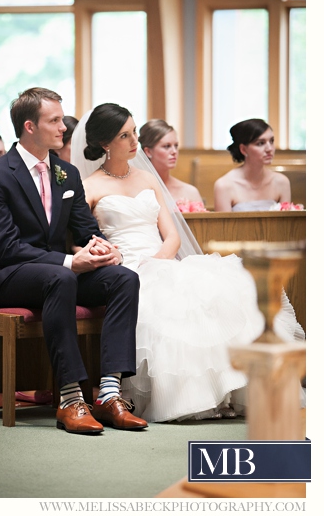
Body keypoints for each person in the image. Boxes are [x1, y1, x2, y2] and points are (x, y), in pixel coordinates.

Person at [71, 103, 287, 422]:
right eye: (124, 135)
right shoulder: (89, 186)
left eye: (134, 131)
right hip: (121, 268)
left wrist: (158, 262)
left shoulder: (147, 178)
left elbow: (171, 236)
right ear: (105, 143)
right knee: (160, 306)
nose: (134, 141)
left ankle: (228, 390)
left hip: (160, 259)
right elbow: (82, 240)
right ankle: (180, 398)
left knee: (219, 293)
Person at [0, 87, 147, 434]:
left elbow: (84, 230)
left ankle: (109, 395)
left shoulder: (66, 173)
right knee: (61, 278)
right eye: (53, 121)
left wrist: (104, 249)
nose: (63, 127)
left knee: (124, 278)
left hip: (55, 273)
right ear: (29, 127)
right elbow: (6, 248)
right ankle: (70, 399)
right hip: (7, 276)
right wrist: (69, 262)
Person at [213, 119, 292, 212]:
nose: (269, 148)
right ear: (243, 149)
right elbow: (224, 226)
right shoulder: (224, 185)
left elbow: (286, 225)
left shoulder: (282, 182)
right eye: (260, 143)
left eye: (271, 141)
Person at [138, 119, 204, 207]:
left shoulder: (190, 191)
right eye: (166, 146)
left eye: (176, 145)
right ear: (148, 152)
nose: (174, 151)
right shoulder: (137, 190)